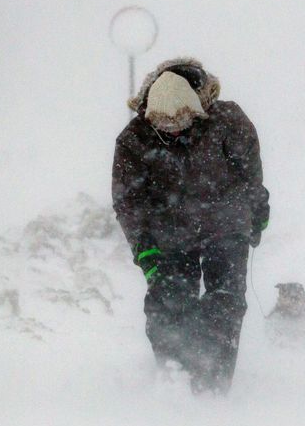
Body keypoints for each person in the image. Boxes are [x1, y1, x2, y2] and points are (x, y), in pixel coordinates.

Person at [111, 57, 270, 394]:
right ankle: (175, 381)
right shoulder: (134, 140)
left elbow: (249, 175)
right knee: (169, 304)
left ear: (198, 109)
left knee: (224, 304)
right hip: (168, 236)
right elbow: (129, 203)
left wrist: (257, 212)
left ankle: (213, 387)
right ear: (150, 117)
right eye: (165, 127)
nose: (176, 130)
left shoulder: (229, 122)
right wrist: (146, 252)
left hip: (225, 227)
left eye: (183, 121)